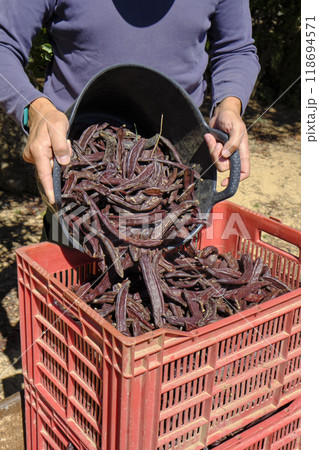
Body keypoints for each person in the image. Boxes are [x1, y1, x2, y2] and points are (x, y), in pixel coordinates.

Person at [0, 0, 260, 205]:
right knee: (78, 256)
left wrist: (229, 104)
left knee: (169, 262)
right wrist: (33, 109)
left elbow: (235, 49)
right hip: (78, 169)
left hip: (176, 174)